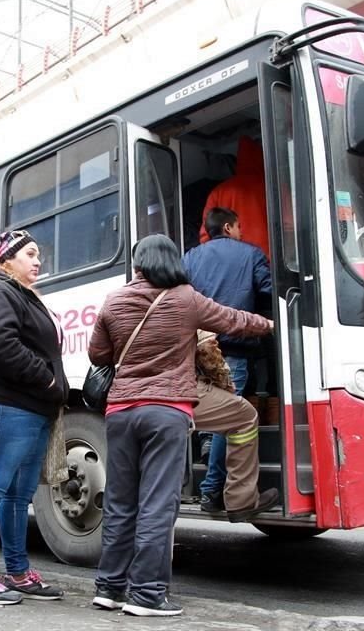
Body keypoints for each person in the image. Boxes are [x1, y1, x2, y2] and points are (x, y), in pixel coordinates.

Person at [89, 234, 274, 617]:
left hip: (120, 411)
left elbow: (98, 353)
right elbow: (232, 320)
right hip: (166, 411)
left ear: (138, 263)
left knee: (122, 502)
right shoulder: (185, 297)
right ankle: (147, 595)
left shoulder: (114, 300)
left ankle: (109, 588)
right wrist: (269, 323)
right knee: (158, 503)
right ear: (173, 263)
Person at [0, 229, 67, 605]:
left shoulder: (19, 293)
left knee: (18, 496)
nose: (38, 261)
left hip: (31, 404)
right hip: (7, 402)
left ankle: (18, 572)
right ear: (6, 258)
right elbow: (2, 345)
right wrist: (48, 378)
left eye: (40, 255)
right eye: (31, 254)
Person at [184, 206, 273, 513]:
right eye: (238, 226)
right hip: (233, 349)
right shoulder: (251, 254)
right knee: (233, 418)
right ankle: (211, 491)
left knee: (216, 413)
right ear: (227, 227)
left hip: (198, 349)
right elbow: (270, 290)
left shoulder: (191, 257)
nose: (241, 232)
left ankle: (210, 460)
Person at [198, 136, 269, 255]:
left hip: (235, 262)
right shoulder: (274, 186)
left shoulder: (218, 192)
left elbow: (206, 236)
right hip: (270, 261)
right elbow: (290, 227)